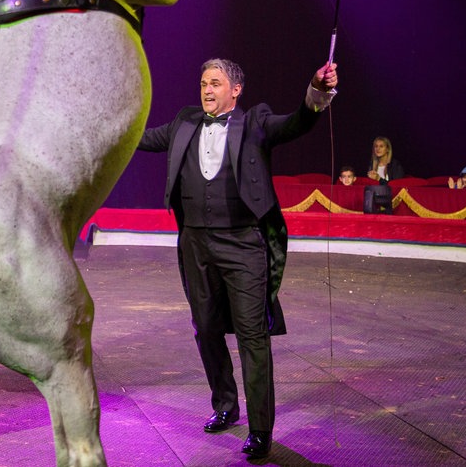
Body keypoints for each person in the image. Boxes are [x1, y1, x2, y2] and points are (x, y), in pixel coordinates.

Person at [135, 57, 338, 460]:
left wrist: (318, 90)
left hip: (243, 245)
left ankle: (261, 428)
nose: (206, 89)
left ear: (235, 90)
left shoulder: (256, 122)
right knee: (206, 328)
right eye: (203, 82)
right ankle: (226, 405)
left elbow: (297, 121)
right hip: (195, 243)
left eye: (215, 83)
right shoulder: (184, 122)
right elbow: (141, 138)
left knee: (252, 335)